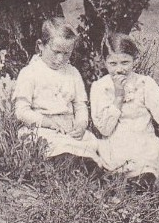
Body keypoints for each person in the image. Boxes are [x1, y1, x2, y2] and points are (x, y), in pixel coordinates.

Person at [90, 33, 159, 182]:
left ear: (135, 60)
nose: (119, 69)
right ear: (104, 62)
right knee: (141, 167)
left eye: (125, 62)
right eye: (113, 64)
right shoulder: (100, 87)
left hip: (147, 143)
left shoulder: (144, 83)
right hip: (118, 145)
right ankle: (144, 182)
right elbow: (104, 128)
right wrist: (119, 97)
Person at [12, 18, 102, 167]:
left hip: (68, 128)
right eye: (56, 52)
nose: (60, 59)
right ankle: (70, 163)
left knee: (91, 143)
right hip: (41, 127)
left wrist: (81, 124)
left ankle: (88, 165)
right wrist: (47, 123)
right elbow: (21, 111)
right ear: (41, 45)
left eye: (67, 54)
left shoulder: (72, 73)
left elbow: (80, 105)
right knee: (49, 143)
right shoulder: (30, 73)